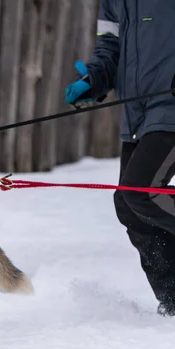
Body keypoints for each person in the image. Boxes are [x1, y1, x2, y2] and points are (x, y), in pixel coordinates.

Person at [65, 0, 175, 317]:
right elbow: (110, 49)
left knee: (141, 191)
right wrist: (94, 80)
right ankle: (173, 301)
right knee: (129, 207)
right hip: (138, 113)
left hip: (170, 108)